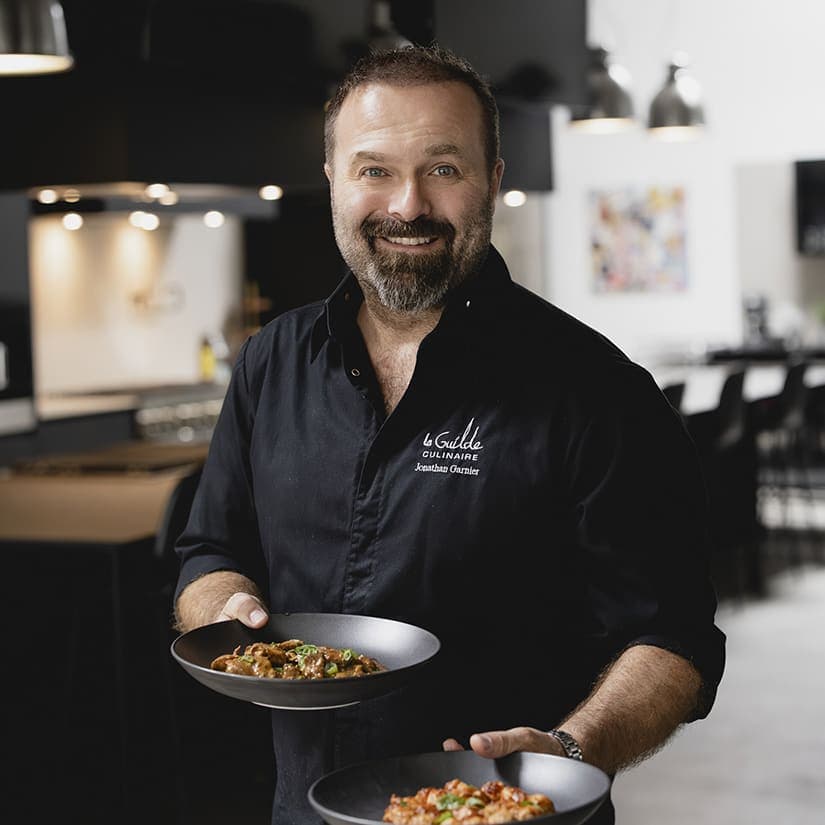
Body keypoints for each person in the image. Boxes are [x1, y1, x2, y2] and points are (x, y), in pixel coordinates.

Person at [174, 45, 725, 825]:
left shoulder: (597, 390)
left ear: (493, 179)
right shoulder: (271, 363)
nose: (406, 205)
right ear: (331, 177)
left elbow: (674, 640)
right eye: (373, 170)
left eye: (443, 169)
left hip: (512, 807)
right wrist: (227, 613)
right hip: (299, 808)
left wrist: (568, 751)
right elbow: (210, 549)